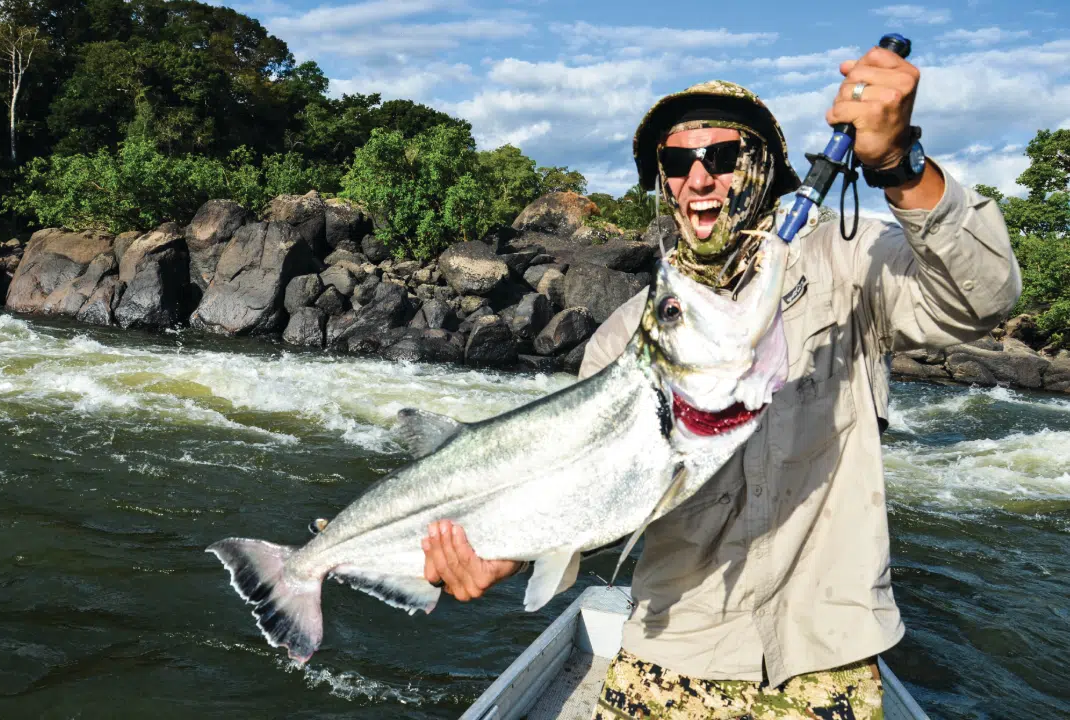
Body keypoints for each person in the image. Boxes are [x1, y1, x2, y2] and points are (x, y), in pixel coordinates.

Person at [422, 46, 1021, 718]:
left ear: (762, 164)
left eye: (723, 156)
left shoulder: (849, 263)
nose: (699, 178)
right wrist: (499, 550)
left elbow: (984, 300)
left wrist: (898, 165)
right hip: (673, 649)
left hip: (825, 659)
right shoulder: (627, 336)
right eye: (677, 162)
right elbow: (583, 489)